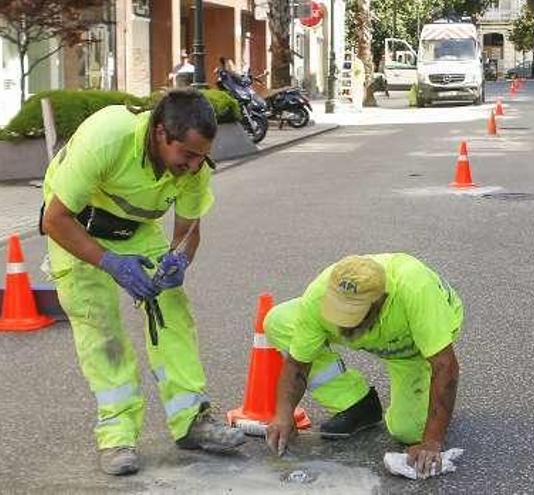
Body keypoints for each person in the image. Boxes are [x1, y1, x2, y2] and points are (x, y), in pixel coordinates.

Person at [40, 89, 245, 476]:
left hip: (134, 229)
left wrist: (179, 260)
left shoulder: (194, 166)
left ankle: (192, 420)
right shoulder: (108, 137)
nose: (193, 165)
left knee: (172, 308)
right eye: (187, 154)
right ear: (160, 133)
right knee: (100, 328)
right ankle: (117, 434)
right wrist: (111, 263)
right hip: (76, 227)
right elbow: (55, 219)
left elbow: (187, 231)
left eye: (201, 156)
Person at [263, 254, 463, 478]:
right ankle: (356, 404)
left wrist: (432, 442)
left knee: (408, 431)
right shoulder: (318, 295)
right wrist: (283, 415)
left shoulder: (416, 290)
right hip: (381, 329)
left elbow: (446, 367)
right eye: (338, 313)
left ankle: (417, 400)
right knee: (279, 321)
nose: (342, 326)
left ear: (380, 302)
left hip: (411, 346)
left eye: (353, 316)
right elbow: (297, 364)